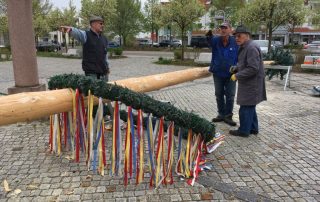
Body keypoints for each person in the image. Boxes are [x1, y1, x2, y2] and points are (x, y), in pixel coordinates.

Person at [229, 25, 267, 137]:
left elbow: (253, 68)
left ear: (247, 35)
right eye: (235, 36)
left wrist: (237, 75)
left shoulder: (251, 47)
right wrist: (236, 68)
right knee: (250, 106)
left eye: (239, 35)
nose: (236, 38)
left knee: (245, 107)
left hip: (252, 84)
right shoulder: (246, 46)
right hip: (250, 83)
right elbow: (246, 64)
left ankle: (244, 131)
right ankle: (253, 128)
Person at [60, 15, 110, 81]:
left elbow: (105, 55)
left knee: (104, 91)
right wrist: (71, 29)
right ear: (93, 24)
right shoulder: (86, 35)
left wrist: (107, 67)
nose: (102, 25)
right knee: (92, 91)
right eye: (100, 23)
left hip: (104, 74)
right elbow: (78, 33)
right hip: (92, 75)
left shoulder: (104, 38)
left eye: (103, 24)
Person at [208, 22, 239, 126]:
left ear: (230, 30)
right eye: (221, 28)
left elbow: (241, 54)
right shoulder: (216, 40)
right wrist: (209, 34)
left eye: (225, 28)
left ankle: (228, 116)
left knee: (230, 95)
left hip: (231, 74)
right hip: (218, 73)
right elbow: (208, 41)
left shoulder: (235, 41)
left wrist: (238, 67)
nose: (223, 30)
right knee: (219, 94)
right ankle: (221, 114)